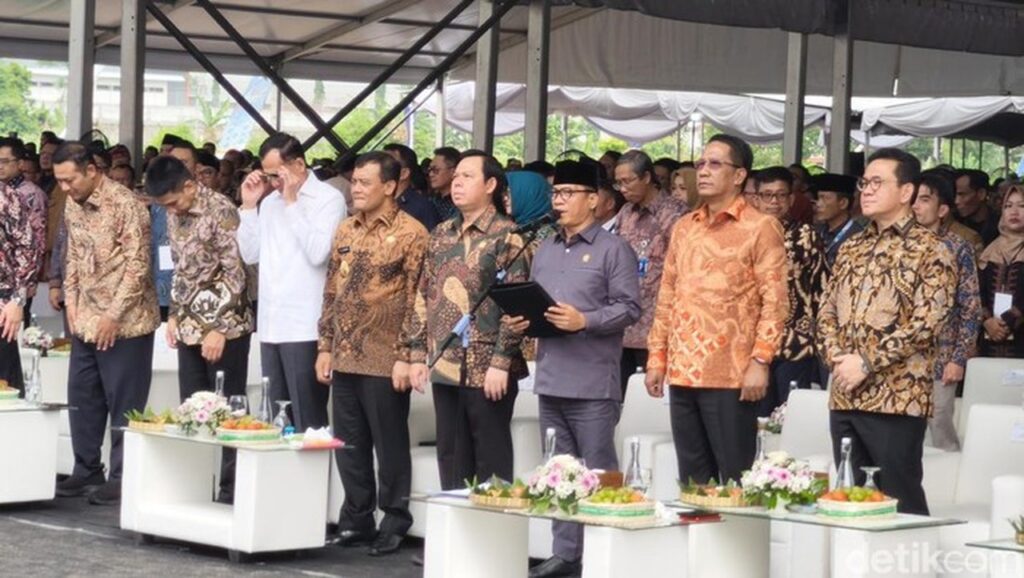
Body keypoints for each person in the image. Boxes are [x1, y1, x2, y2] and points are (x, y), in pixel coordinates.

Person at [505, 160, 641, 578]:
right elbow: (541, 304)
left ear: (594, 200)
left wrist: (586, 320)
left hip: (592, 381)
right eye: (556, 193)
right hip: (551, 376)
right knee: (559, 470)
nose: (558, 201)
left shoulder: (613, 249)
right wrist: (524, 320)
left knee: (598, 469)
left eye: (568, 193)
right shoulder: (545, 247)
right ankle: (566, 554)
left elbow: (630, 308)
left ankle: (607, 554)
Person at [818, 148, 956, 515]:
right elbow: (826, 309)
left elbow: (927, 322)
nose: (866, 190)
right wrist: (837, 357)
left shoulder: (931, 249)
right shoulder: (852, 246)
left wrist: (865, 362)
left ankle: (915, 554)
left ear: (906, 191)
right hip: (845, 393)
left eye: (878, 183)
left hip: (895, 397)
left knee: (899, 499)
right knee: (849, 500)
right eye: (864, 183)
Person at [645, 134, 788, 485]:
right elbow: (667, 295)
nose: (704, 171)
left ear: (739, 175)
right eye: (700, 164)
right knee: (693, 480)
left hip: (731, 372)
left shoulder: (761, 227)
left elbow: (775, 301)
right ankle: (697, 523)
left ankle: (736, 525)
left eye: (714, 164)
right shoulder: (684, 227)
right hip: (683, 369)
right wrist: (657, 358)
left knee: (735, 478)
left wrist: (761, 360)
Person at [315, 152, 428, 557]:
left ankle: (394, 520)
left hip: (385, 357)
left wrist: (407, 354)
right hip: (345, 353)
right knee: (349, 444)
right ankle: (356, 519)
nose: (356, 189)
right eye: (355, 182)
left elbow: (418, 299)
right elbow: (332, 290)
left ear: (391, 186)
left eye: (365, 183)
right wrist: (325, 345)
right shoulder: (346, 228)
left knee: (389, 444)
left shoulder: (413, 233)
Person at [405, 150, 528, 490]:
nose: (457, 182)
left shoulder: (508, 236)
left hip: (488, 366)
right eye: (456, 176)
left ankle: (492, 522)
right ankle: (454, 522)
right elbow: (423, 295)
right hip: (444, 361)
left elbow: (516, 307)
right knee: (451, 457)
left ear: (490, 185)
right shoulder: (441, 234)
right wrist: (417, 355)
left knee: (490, 459)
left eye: (467, 176)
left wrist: (501, 361)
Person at [52, 141, 160, 506]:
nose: (65, 188)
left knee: (124, 400)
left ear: (91, 171)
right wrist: (71, 299)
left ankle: (122, 475)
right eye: (59, 181)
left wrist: (114, 314)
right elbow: (72, 255)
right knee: (83, 395)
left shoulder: (126, 204)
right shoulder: (72, 203)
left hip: (126, 321)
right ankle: (86, 468)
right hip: (86, 317)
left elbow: (138, 265)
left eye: (70, 180)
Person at [144, 156, 254, 502]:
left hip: (226, 326)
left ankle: (231, 487)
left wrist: (219, 326)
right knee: (193, 405)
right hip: (189, 324)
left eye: (173, 202)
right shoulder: (173, 213)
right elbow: (180, 267)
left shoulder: (221, 210)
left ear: (190, 186)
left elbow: (237, 273)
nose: (171, 210)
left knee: (227, 407)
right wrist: (175, 314)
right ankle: (196, 485)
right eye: (164, 206)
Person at [237, 133, 346, 430]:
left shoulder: (328, 199)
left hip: (305, 325)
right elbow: (250, 254)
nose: (273, 182)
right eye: (268, 175)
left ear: (299, 164)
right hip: (271, 323)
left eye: (277, 174)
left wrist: (292, 203)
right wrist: (249, 207)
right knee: (277, 419)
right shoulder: (270, 202)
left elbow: (318, 253)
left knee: (308, 419)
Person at [911, 170, 981, 452]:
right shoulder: (897, 246)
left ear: (942, 210)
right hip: (901, 356)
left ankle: (950, 472)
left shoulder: (957, 248)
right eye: (913, 199)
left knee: (939, 420)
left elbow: (970, 306)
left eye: (924, 199)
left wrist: (959, 358)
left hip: (942, 354)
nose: (915, 205)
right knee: (902, 426)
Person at [747, 167, 826, 411]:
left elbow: (822, 289)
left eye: (781, 195)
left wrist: (818, 338)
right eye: (767, 195)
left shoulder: (806, 236)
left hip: (795, 344)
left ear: (791, 199)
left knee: (789, 414)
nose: (774, 201)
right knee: (755, 416)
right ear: (756, 199)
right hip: (751, 344)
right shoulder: (744, 236)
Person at [613, 150, 689, 398]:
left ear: (647, 177)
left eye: (628, 181)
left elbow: (682, 268)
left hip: (657, 325)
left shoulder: (676, 213)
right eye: (618, 182)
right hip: (624, 323)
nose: (622, 188)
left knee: (651, 401)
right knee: (620, 398)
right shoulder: (626, 212)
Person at [0, 138, 47, 325]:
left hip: (13, 282)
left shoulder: (28, 194)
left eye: (4, 161)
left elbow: (35, 242)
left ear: (19, 164)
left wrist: (27, 283)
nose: (0, 166)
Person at [0, 180, 41, 391]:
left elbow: (28, 248)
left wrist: (17, 300)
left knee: (4, 384)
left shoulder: (6, 195)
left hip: (2, 301)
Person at [978, 184, 1024, 358]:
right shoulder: (991, 250)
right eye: (1008, 206)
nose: (1014, 212)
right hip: (990, 340)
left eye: (1022, 206)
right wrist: (987, 321)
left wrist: (1009, 320)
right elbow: (977, 292)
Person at [382, 143, 440, 231]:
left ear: (404, 173)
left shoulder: (423, 208)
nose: (379, 168)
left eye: (387, 164)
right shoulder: (373, 202)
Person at [812, 173, 863, 269]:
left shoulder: (858, 236)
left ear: (843, 203)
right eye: (818, 198)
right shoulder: (816, 231)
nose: (818, 204)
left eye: (825, 198)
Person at [955, 169, 999, 246]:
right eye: (954, 195)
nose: (956, 201)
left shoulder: (1001, 227)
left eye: (962, 194)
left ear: (981, 194)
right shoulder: (954, 223)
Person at [428, 146, 460, 221]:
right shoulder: (431, 200)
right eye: (429, 169)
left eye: (435, 170)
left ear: (453, 172)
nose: (431, 174)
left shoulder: (460, 203)